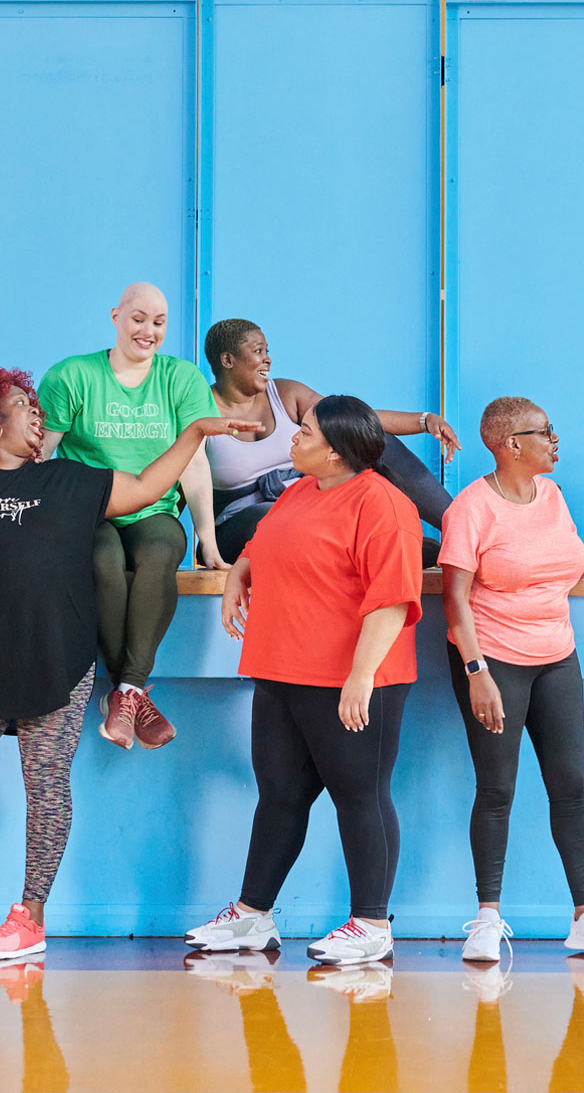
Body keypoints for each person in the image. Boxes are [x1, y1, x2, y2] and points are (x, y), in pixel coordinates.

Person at [0, 368, 253, 962]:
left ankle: (29, 919)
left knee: (45, 790)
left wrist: (194, 430)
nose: (37, 414)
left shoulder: (69, 480)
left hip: (59, 666)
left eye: (37, 405)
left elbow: (145, 488)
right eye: (22, 404)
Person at [185, 396, 424, 966]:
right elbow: (269, 543)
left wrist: (361, 677)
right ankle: (252, 917)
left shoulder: (384, 506)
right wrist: (241, 569)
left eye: (307, 432)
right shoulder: (297, 492)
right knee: (280, 796)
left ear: (337, 452)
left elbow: (392, 600)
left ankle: (371, 924)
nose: (293, 436)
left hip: (350, 678)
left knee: (359, 795)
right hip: (281, 670)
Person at [440, 395, 584, 963]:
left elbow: (558, 572)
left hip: (557, 657)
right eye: (545, 432)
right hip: (492, 661)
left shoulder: (552, 496)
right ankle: (485, 922)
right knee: (498, 789)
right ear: (511, 445)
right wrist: (476, 672)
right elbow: (453, 598)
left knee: (570, 786)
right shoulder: (471, 509)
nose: (555, 440)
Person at [38, 282, 218, 752]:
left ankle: (126, 690)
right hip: (85, 508)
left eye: (159, 322)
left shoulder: (181, 378)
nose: (148, 331)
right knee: (104, 563)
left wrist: (208, 541)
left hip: (153, 507)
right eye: (138, 318)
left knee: (160, 552)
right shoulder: (73, 375)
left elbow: (194, 462)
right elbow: (41, 454)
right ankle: (133, 692)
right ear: (115, 315)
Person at [202, 317, 459, 565]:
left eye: (267, 350)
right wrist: (201, 547)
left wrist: (425, 421)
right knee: (278, 518)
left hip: (312, 504)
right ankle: (395, 548)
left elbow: (351, 419)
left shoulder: (284, 393)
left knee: (375, 439)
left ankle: (462, 530)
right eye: (258, 351)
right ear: (227, 360)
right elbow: (184, 474)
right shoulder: (200, 409)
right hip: (242, 524)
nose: (268, 359)